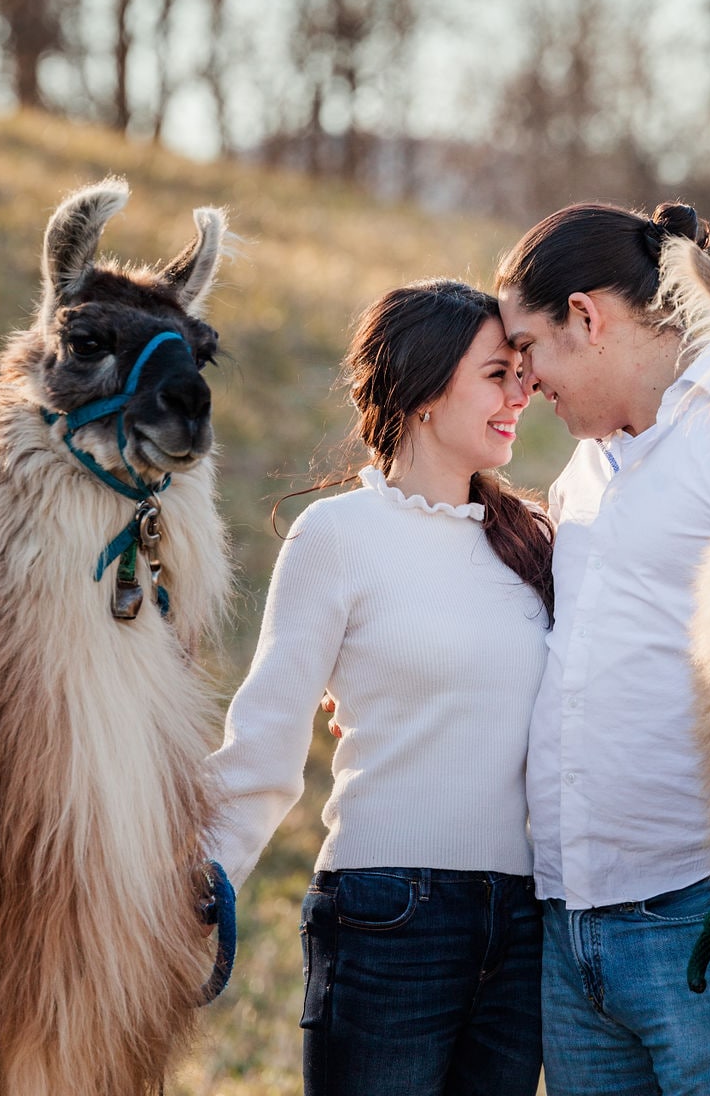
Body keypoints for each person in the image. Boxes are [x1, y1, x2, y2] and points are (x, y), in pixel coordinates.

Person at [206, 278, 553, 1096]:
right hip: (385, 915)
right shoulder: (336, 537)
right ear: (427, 392)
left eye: (522, 375)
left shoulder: (534, 541)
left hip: (524, 924)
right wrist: (199, 891)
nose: (522, 394)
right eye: (498, 374)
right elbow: (265, 738)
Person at [494, 201, 710, 1096]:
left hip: (695, 922)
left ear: (588, 318)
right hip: (569, 924)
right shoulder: (585, 469)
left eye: (528, 350)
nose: (521, 385)